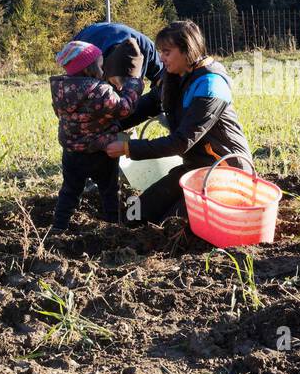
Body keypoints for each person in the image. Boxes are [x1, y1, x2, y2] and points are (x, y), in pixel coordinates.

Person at [106, 20, 252, 223]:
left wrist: (127, 148)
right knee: (136, 214)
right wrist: (109, 123)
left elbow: (181, 141)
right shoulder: (174, 75)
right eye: (160, 52)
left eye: (167, 52)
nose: (160, 58)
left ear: (187, 50)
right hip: (194, 168)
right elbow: (148, 104)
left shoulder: (211, 85)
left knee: (171, 224)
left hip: (225, 171)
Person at [49, 40, 144, 230]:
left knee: (69, 191)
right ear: (89, 69)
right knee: (109, 190)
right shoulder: (99, 90)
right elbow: (124, 108)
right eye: (101, 65)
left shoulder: (59, 89)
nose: (103, 70)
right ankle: (112, 225)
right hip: (101, 151)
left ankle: (59, 226)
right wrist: (133, 84)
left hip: (72, 152)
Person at [72, 21, 163, 88]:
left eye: (127, 84)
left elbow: (162, 79)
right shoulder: (86, 55)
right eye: (115, 83)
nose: (120, 89)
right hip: (90, 39)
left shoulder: (147, 48)